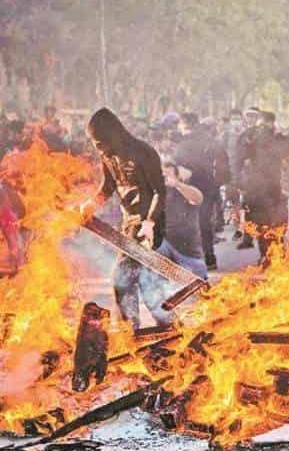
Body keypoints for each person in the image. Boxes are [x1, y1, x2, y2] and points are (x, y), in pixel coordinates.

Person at [81, 108, 165, 329]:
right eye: (94, 143)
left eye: (100, 142)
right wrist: (92, 203)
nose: (98, 148)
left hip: (149, 224)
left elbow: (159, 191)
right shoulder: (106, 156)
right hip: (128, 224)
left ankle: (131, 331)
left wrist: (150, 223)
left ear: (113, 136)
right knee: (144, 282)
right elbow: (109, 186)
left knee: (122, 277)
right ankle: (165, 326)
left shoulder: (143, 153)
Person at [142, 157, 208, 326]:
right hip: (161, 244)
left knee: (199, 289)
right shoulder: (154, 193)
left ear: (177, 175)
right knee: (154, 286)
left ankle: (206, 325)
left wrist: (177, 185)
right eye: (161, 174)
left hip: (187, 247)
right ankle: (166, 325)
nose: (164, 178)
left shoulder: (185, 189)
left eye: (168, 174)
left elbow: (197, 198)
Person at [236, 110, 289, 264]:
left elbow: (239, 158)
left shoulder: (250, 135)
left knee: (262, 222)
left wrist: (240, 181)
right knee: (273, 221)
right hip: (270, 186)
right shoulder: (273, 137)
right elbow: (284, 153)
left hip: (258, 186)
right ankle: (274, 253)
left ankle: (267, 255)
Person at [174, 113, 219, 270]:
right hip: (208, 185)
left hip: (190, 186)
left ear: (184, 124)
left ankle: (193, 258)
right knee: (205, 222)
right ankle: (210, 256)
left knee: (190, 223)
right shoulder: (209, 140)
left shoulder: (183, 144)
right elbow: (219, 160)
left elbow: (178, 166)